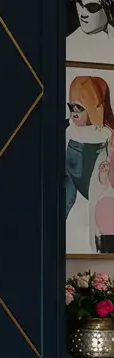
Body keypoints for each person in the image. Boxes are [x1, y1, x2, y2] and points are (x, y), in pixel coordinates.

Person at [66, 74, 114, 253]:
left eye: (78, 107)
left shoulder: (106, 138)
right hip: (71, 171)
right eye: (71, 106)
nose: (73, 112)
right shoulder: (69, 130)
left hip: (97, 179)